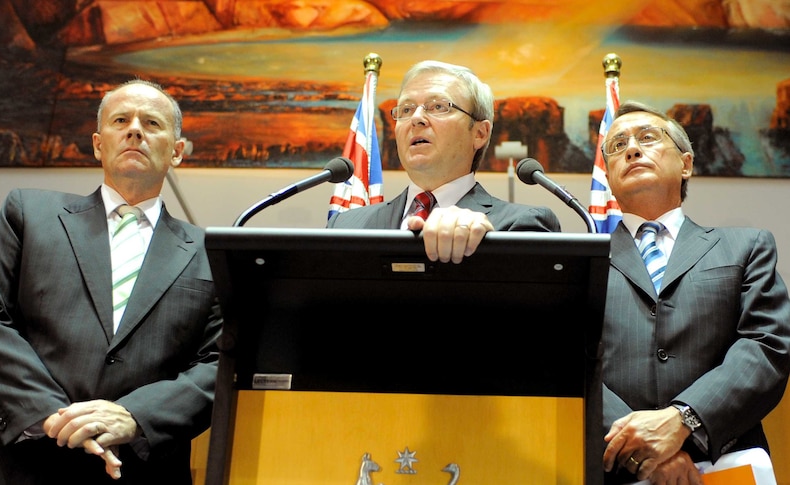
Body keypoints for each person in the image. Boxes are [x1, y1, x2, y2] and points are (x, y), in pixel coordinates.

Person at [0, 79, 222, 484]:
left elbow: (219, 362)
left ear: (177, 152)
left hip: (140, 468)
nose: (135, 130)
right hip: (20, 463)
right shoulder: (28, 214)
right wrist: (56, 418)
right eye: (120, 120)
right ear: (98, 144)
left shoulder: (211, 252)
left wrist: (134, 416)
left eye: (151, 122)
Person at [600, 100, 790, 484]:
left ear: (686, 164)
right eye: (617, 146)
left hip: (724, 464)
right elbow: (568, 365)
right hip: (612, 470)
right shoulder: (582, 260)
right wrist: (642, 451)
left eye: (647, 138)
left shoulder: (745, 247)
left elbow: (766, 347)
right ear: (608, 176)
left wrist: (684, 420)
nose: (631, 149)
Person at [326, 60, 560, 261]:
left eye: (438, 106)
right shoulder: (346, 226)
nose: (416, 118)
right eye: (406, 109)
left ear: (480, 133)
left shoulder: (521, 225)